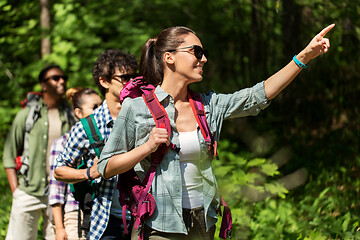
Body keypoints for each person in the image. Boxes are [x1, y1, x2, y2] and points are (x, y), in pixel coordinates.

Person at [97, 24, 335, 240]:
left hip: (205, 222)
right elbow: (106, 167)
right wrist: (146, 148)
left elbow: (258, 95)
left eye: (204, 52)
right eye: (196, 52)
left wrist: (304, 57)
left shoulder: (208, 106)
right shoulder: (136, 108)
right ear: (169, 57)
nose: (204, 59)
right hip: (161, 226)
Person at [54, 49, 138, 240]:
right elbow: (59, 170)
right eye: (124, 77)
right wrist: (88, 173)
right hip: (107, 223)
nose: (131, 82)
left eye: (134, 76)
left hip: (143, 218)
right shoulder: (88, 126)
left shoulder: (143, 117)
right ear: (104, 81)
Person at [3, 65, 76, 240]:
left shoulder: (71, 116)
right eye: (55, 78)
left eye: (63, 77)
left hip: (59, 195)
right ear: (43, 85)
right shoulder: (27, 115)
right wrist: (16, 191)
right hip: (28, 191)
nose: (62, 81)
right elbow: (8, 154)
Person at [49, 87, 102, 240]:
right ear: (78, 113)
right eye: (94, 108)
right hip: (74, 214)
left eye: (101, 106)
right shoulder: (61, 143)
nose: (100, 112)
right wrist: (60, 228)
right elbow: (56, 189)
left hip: (98, 211)